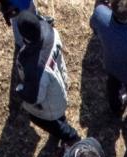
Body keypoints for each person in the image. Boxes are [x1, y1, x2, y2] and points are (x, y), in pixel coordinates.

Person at [14, 10, 79, 143]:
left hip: (49, 106)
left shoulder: (35, 68)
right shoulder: (51, 31)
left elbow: (34, 98)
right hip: (60, 82)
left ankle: (73, 139)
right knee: (60, 116)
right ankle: (63, 122)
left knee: (51, 124)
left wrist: (20, 89)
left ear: (24, 35)